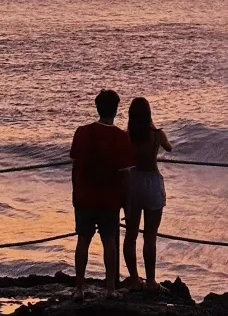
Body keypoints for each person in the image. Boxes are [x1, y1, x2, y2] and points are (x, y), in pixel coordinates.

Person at [70, 89, 134, 302]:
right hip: (109, 199)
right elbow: (125, 174)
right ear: (116, 110)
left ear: (97, 108)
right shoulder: (121, 138)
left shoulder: (82, 132)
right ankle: (109, 288)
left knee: (83, 241)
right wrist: (126, 203)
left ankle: (79, 288)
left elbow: (75, 164)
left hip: (85, 196)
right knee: (109, 242)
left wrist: (75, 191)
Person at [123, 97, 171, 291]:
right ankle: (151, 281)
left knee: (131, 234)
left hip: (132, 181)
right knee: (150, 235)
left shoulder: (127, 135)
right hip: (151, 182)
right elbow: (169, 148)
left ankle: (134, 278)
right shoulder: (157, 134)